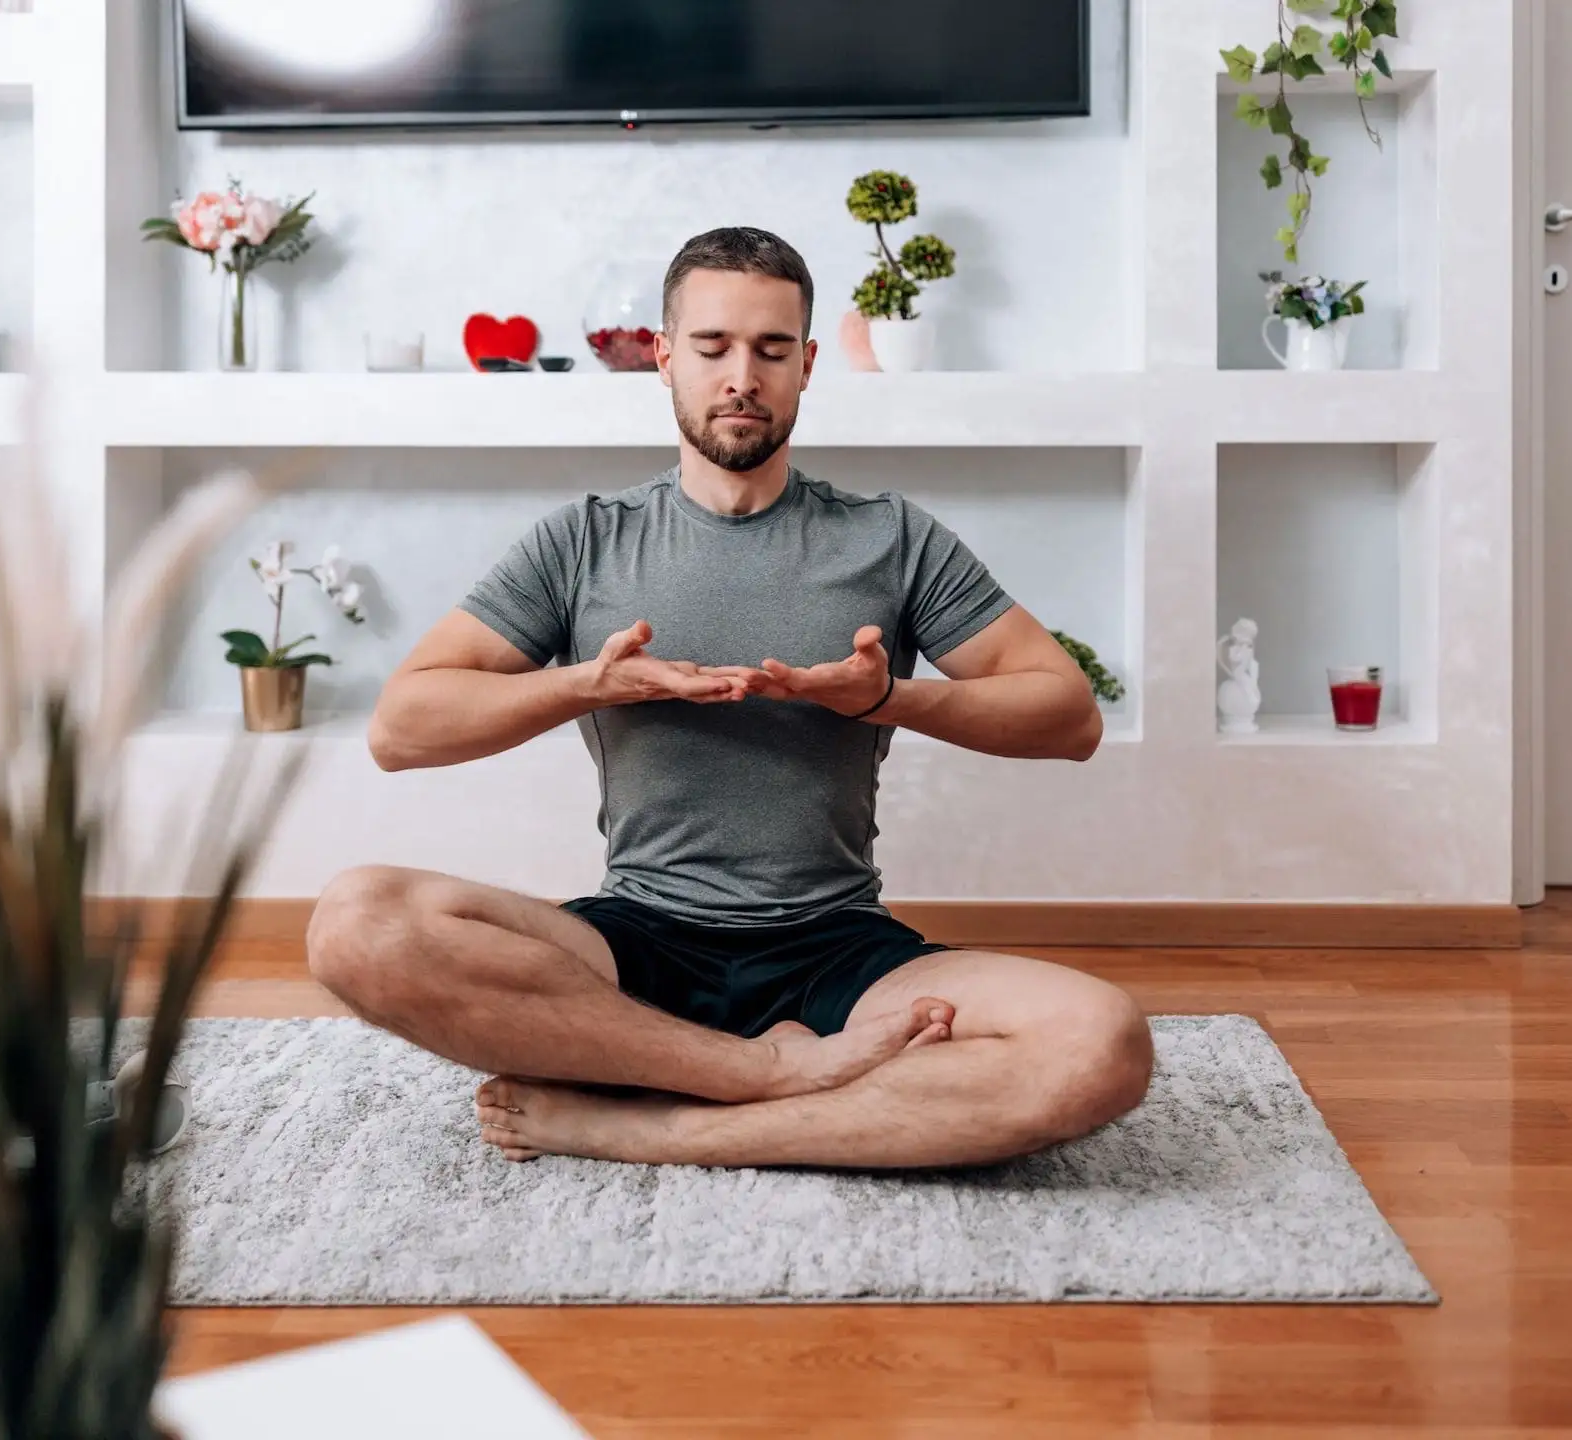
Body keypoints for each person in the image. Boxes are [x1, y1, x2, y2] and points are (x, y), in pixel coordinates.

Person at [306, 226, 1153, 1170]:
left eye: (771, 349)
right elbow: (402, 728)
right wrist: (591, 681)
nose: (741, 375)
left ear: (806, 366)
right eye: (712, 348)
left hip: (838, 947)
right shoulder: (583, 542)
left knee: (1100, 1042)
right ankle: (762, 1074)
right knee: (356, 919)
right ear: (664, 359)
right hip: (633, 947)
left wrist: (884, 701)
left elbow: (1069, 717)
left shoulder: (892, 538)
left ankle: (666, 1125)